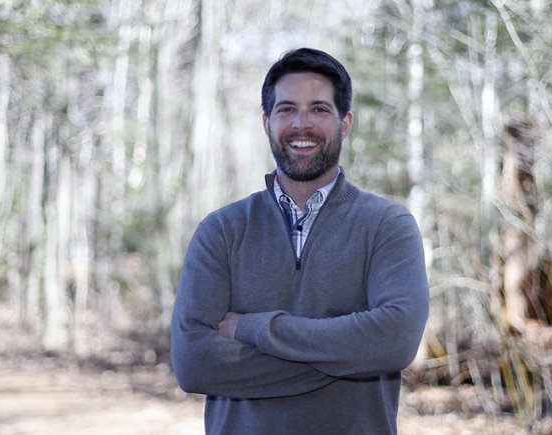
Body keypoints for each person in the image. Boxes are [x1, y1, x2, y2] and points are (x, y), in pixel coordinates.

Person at [171, 47, 429, 435]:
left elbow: (394, 341)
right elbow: (194, 364)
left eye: (319, 109)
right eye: (287, 109)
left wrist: (254, 329)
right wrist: (345, 358)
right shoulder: (222, 230)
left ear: (345, 123)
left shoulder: (387, 226)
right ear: (266, 122)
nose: (301, 124)